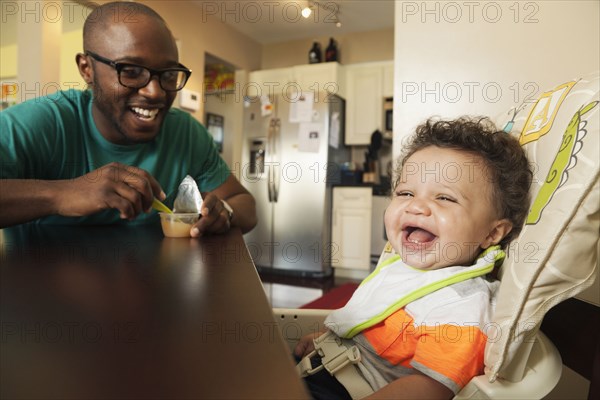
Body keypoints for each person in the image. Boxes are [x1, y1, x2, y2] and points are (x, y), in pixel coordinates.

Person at [294, 117, 533, 400]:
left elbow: (427, 388)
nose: (416, 205)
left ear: (492, 233)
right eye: (405, 192)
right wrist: (328, 340)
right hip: (321, 368)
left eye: (445, 198)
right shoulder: (401, 266)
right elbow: (371, 317)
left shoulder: (462, 306)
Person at [0, 1, 256, 236]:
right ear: (86, 69)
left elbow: (245, 205)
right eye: (131, 71)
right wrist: (61, 195)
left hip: (154, 283)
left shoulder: (185, 132)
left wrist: (224, 212)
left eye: (168, 74)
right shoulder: (44, 122)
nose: (155, 92)